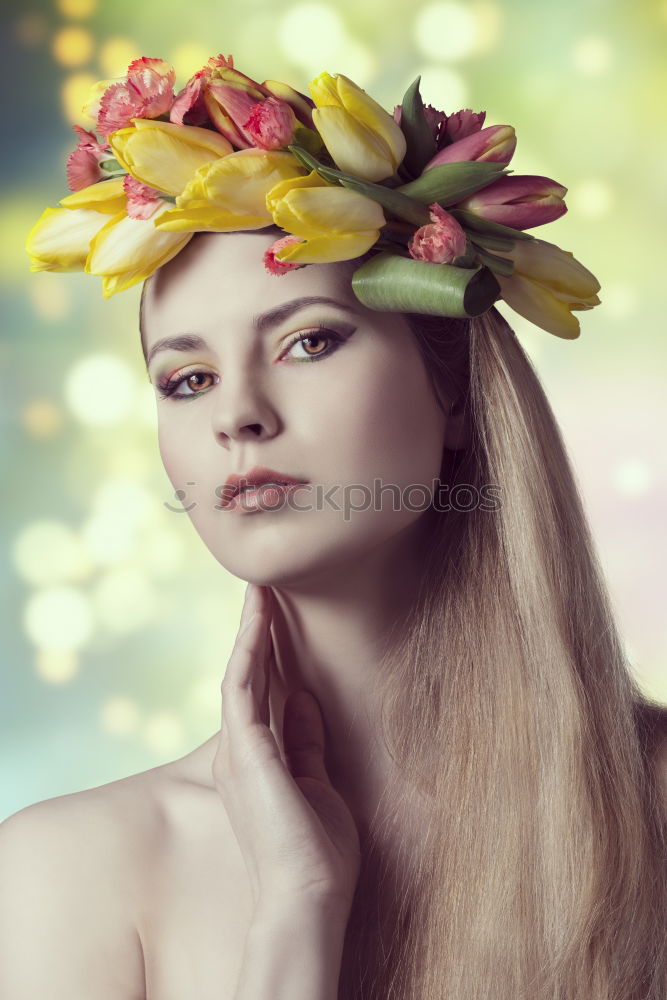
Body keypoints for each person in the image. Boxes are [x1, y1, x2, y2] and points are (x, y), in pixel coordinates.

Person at [4, 54, 667, 1000]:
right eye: (186, 380)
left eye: (307, 340)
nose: (237, 413)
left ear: (452, 392)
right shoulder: (64, 872)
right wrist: (296, 912)